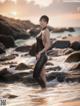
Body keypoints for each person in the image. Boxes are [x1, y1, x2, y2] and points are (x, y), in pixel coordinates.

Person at [33, 15, 51, 89]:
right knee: (42, 75)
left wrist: (40, 53)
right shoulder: (42, 30)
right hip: (40, 56)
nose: (41, 22)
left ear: (46, 22)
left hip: (42, 56)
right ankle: (44, 93)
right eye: (40, 21)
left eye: (43, 21)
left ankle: (43, 88)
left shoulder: (46, 31)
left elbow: (48, 45)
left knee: (35, 75)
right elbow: (39, 43)